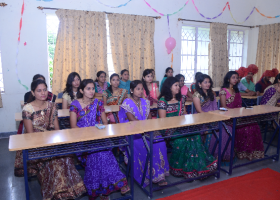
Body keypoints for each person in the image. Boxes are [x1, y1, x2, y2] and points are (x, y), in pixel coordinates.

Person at [14, 79, 86, 200]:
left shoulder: (52, 106)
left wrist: (57, 144)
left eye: (44, 90)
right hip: (36, 144)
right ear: (33, 92)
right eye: (39, 91)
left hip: (51, 141)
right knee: (54, 162)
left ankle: (66, 192)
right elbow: (31, 136)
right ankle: (55, 193)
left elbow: (56, 129)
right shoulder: (27, 109)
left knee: (65, 156)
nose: (43, 93)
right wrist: (47, 144)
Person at [70, 79, 129, 200]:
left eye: (93, 88)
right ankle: (106, 187)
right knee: (99, 153)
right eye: (88, 89)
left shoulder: (98, 103)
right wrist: (87, 136)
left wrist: (99, 133)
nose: (92, 91)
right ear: (81, 90)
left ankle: (101, 190)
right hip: (82, 139)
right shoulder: (74, 104)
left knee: (103, 152)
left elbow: (105, 122)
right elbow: (73, 126)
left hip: (98, 136)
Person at [158, 77, 217, 178]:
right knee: (182, 140)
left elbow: (184, 114)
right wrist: (178, 125)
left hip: (181, 126)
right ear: (169, 87)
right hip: (168, 129)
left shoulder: (182, 99)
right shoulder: (163, 101)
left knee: (196, 136)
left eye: (178, 85)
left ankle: (196, 167)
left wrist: (187, 122)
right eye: (175, 85)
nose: (178, 87)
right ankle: (179, 168)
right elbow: (163, 121)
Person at [118, 80, 169, 187]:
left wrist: (150, 128)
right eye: (138, 89)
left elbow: (149, 118)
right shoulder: (127, 102)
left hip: (146, 129)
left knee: (159, 141)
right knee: (144, 145)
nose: (140, 91)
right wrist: (145, 128)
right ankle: (147, 174)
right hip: (133, 132)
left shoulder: (145, 101)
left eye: (142, 89)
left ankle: (159, 174)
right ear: (131, 90)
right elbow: (132, 120)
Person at [220, 71, 264, 160]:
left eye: (237, 77)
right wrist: (235, 113)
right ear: (228, 79)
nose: (236, 79)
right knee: (246, 127)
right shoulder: (223, 91)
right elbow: (224, 107)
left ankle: (251, 153)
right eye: (233, 77)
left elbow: (239, 105)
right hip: (229, 117)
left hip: (239, 115)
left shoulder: (236, 90)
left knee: (254, 124)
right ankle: (241, 152)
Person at [193, 74, 232, 163]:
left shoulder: (211, 93)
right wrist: (211, 118)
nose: (208, 84)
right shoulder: (196, 95)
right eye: (205, 82)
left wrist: (216, 116)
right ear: (199, 84)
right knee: (213, 130)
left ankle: (220, 155)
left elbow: (214, 108)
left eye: (209, 82)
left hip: (213, 117)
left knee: (227, 129)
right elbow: (199, 111)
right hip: (201, 118)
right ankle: (208, 154)